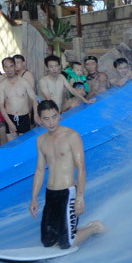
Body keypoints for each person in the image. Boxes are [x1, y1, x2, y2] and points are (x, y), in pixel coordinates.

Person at [29, 100, 105, 248]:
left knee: (66, 243)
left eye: (54, 116)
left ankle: (94, 227)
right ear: (39, 120)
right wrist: (33, 198)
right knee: (48, 242)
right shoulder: (40, 141)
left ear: (59, 116)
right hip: (50, 194)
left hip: (68, 193)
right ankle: (74, 231)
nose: (51, 122)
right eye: (46, 118)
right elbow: (39, 170)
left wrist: (80, 197)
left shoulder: (71, 136)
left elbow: (81, 167)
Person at [0, 56, 40, 138]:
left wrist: (36, 115)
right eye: (6, 67)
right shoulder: (2, 86)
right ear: (3, 69)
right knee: (12, 147)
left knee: (23, 146)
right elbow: (0, 106)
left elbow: (34, 100)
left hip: (24, 117)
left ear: (14, 66)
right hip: (10, 117)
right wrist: (9, 123)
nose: (9, 70)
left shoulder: (24, 82)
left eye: (11, 66)